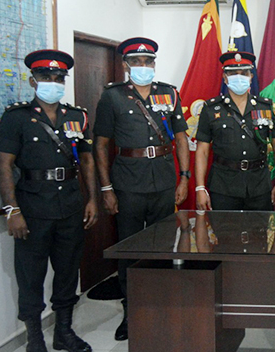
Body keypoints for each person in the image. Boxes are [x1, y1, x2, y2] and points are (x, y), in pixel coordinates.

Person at [0, 50, 98, 352]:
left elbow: (87, 160)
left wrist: (92, 199)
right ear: (33, 81)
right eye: (45, 77)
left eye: (58, 78)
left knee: (67, 272)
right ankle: (35, 339)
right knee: (30, 275)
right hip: (32, 208)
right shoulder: (16, 117)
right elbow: (4, 165)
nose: (53, 82)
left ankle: (63, 332)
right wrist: (12, 210)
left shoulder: (77, 116)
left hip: (70, 205)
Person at [93, 37, 190, 341]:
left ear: (154, 64)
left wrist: (184, 177)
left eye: (148, 62)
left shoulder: (168, 94)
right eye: (136, 61)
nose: (143, 66)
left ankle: (161, 304)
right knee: (130, 249)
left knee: (164, 246)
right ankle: (131, 310)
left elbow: (181, 138)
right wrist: (106, 188)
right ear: (126, 65)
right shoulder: (112, 97)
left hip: (163, 181)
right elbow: (101, 144)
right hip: (128, 183)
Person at [194, 51, 275, 210]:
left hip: (259, 185)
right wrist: (200, 188)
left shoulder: (265, 107)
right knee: (225, 227)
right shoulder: (211, 109)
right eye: (233, 73)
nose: (239, 77)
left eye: (244, 73)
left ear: (251, 77)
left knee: (260, 227)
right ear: (225, 78)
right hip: (223, 186)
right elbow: (202, 151)